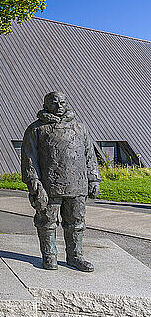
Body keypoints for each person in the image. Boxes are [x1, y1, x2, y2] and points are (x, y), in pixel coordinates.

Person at [21, 91, 101, 272]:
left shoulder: (80, 128)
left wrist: (94, 178)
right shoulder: (36, 129)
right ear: (46, 106)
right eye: (54, 103)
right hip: (49, 186)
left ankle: (75, 256)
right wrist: (34, 182)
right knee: (46, 222)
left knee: (76, 222)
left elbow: (90, 155)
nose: (59, 107)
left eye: (62, 102)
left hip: (77, 185)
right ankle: (50, 256)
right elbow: (29, 158)